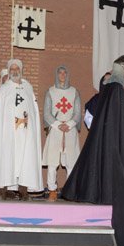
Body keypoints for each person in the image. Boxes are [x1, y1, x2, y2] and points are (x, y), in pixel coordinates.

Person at [61, 55, 124, 204]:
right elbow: (119, 121)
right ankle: (108, 195)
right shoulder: (117, 89)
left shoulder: (108, 88)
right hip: (112, 139)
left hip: (102, 137)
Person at [0, 59, 43, 200]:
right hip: (8, 132)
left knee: (26, 159)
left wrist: (31, 127)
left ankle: (23, 190)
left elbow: (33, 111)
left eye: (17, 69)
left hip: (25, 131)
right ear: (9, 72)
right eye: (12, 69)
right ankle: (2, 189)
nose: (15, 71)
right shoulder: (4, 89)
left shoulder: (28, 88)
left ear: (21, 71)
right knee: (6, 159)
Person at [42, 65, 82, 201]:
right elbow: (47, 113)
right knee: (52, 161)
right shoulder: (50, 92)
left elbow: (77, 113)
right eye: (60, 73)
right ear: (57, 74)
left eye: (65, 73)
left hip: (70, 130)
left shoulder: (74, 92)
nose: (63, 75)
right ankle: (52, 190)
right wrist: (58, 124)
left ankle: (70, 190)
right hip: (55, 129)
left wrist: (69, 124)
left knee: (71, 161)